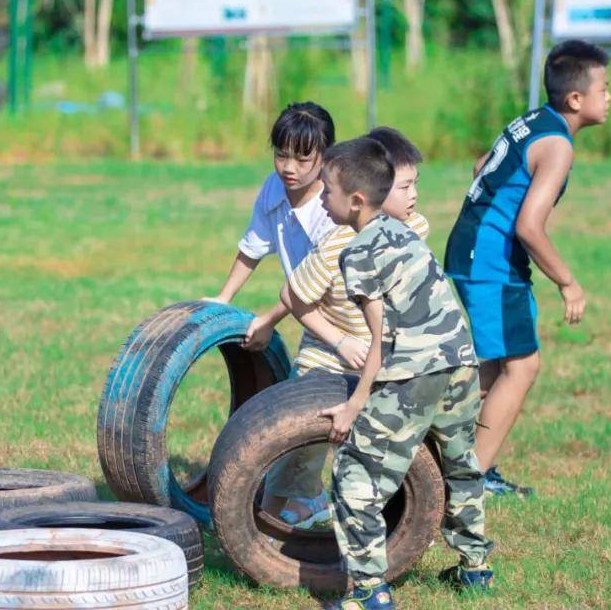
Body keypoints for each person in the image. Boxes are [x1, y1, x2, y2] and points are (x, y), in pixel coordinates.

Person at [317, 138, 494, 609]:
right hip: (461, 362)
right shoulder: (404, 233)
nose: (321, 198)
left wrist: (354, 406)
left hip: (414, 374)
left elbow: (380, 340)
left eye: (327, 190)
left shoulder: (357, 254)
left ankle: (369, 593)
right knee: (461, 464)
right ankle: (475, 568)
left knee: (355, 477)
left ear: (356, 200)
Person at [444, 40, 611, 496]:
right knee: (522, 366)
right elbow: (529, 227)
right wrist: (568, 282)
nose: (609, 97)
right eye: (604, 88)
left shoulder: (535, 120)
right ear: (575, 98)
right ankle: (469, 480)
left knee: (499, 364)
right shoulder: (558, 145)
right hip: (490, 262)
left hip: (472, 250)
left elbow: (482, 165)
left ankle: (449, 449)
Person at [264, 128, 430, 528]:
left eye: (414, 184)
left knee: (377, 442)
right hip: (327, 359)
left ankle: (375, 518)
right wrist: (340, 341)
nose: (413, 196)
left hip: (379, 361)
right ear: (370, 190)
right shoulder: (338, 243)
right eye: (403, 186)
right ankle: (264, 521)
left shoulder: (416, 228)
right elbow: (294, 297)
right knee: (298, 449)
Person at [205, 102, 337, 351]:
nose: (288, 168)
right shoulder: (274, 186)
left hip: (349, 317)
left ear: (326, 158)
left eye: (302, 159)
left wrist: (268, 321)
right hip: (313, 316)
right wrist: (223, 298)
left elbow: (308, 280)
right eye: (281, 155)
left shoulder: (332, 208)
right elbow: (252, 248)